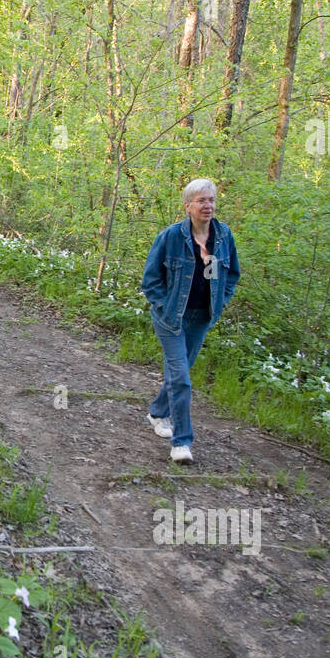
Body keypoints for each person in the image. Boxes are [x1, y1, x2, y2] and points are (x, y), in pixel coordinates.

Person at [139, 178, 240, 464]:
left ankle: (158, 413)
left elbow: (231, 276)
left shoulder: (224, 237)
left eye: (211, 200)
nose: (207, 206)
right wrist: (164, 306)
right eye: (201, 201)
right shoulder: (171, 237)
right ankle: (181, 442)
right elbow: (150, 279)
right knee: (182, 378)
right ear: (188, 206)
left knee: (178, 373)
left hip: (200, 318)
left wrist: (220, 303)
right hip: (171, 319)